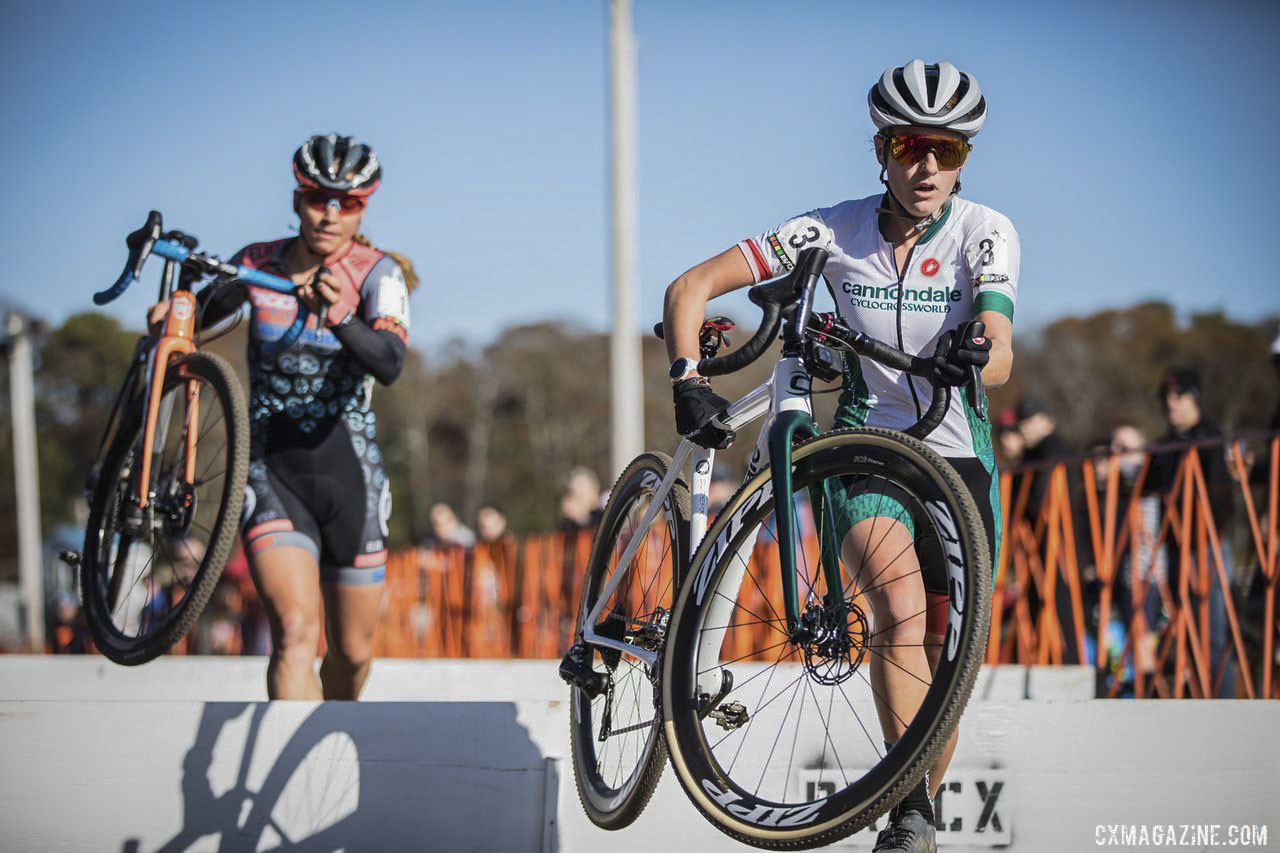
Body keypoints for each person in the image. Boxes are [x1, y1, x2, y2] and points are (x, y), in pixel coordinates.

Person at [661, 60, 1017, 853]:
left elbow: (1000, 349)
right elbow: (691, 286)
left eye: (948, 151)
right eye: (908, 144)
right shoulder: (830, 229)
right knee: (898, 607)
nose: (926, 166)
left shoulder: (985, 230)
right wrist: (686, 377)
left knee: (950, 651)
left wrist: (977, 351)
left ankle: (911, 804)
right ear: (881, 149)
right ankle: (910, 812)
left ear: (965, 158)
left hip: (959, 455)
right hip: (866, 448)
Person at [148, 134, 416, 699]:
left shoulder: (377, 273)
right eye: (319, 198)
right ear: (297, 200)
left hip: (351, 472)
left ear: (365, 207)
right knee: (294, 633)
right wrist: (176, 316)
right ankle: (291, 789)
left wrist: (340, 314)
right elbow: (203, 316)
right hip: (271, 468)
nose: (331, 214)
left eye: (348, 203)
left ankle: (324, 760)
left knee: (352, 653)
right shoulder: (258, 262)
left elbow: (390, 362)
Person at [1147, 367, 1237, 697]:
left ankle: (1224, 704)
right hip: (1174, 546)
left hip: (1207, 544)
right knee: (1181, 628)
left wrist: (1205, 536)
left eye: (1179, 395)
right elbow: (1145, 485)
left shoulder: (1212, 436)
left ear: (1195, 398)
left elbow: (1220, 497)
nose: (1171, 403)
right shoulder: (1164, 445)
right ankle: (1194, 700)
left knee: (1212, 633)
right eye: (1167, 397)